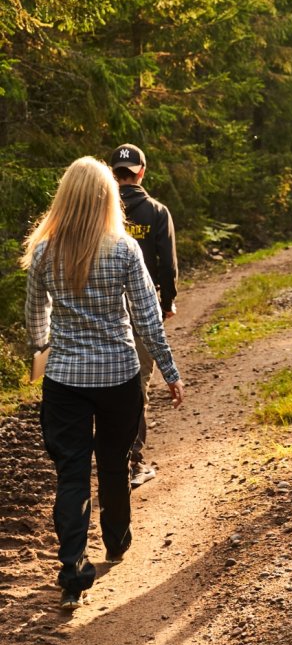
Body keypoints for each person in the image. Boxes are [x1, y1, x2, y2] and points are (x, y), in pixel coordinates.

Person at [22, 157, 184, 610]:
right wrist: (170, 372)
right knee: (113, 461)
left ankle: (72, 567)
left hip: (65, 380)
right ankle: (116, 539)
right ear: (109, 196)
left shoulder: (43, 251)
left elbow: (36, 317)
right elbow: (148, 321)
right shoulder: (123, 249)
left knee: (70, 471)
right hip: (118, 375)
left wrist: (42, 353)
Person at [111, 143, 178, 488]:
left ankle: (111, 454)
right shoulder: (156, 211)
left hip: (106, 303)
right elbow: (167, 264)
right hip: (143, 304)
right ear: (142, 171)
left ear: (112, 173)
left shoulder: (100, 211)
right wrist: (168, 301)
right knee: (137, 382)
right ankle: (133, 459)